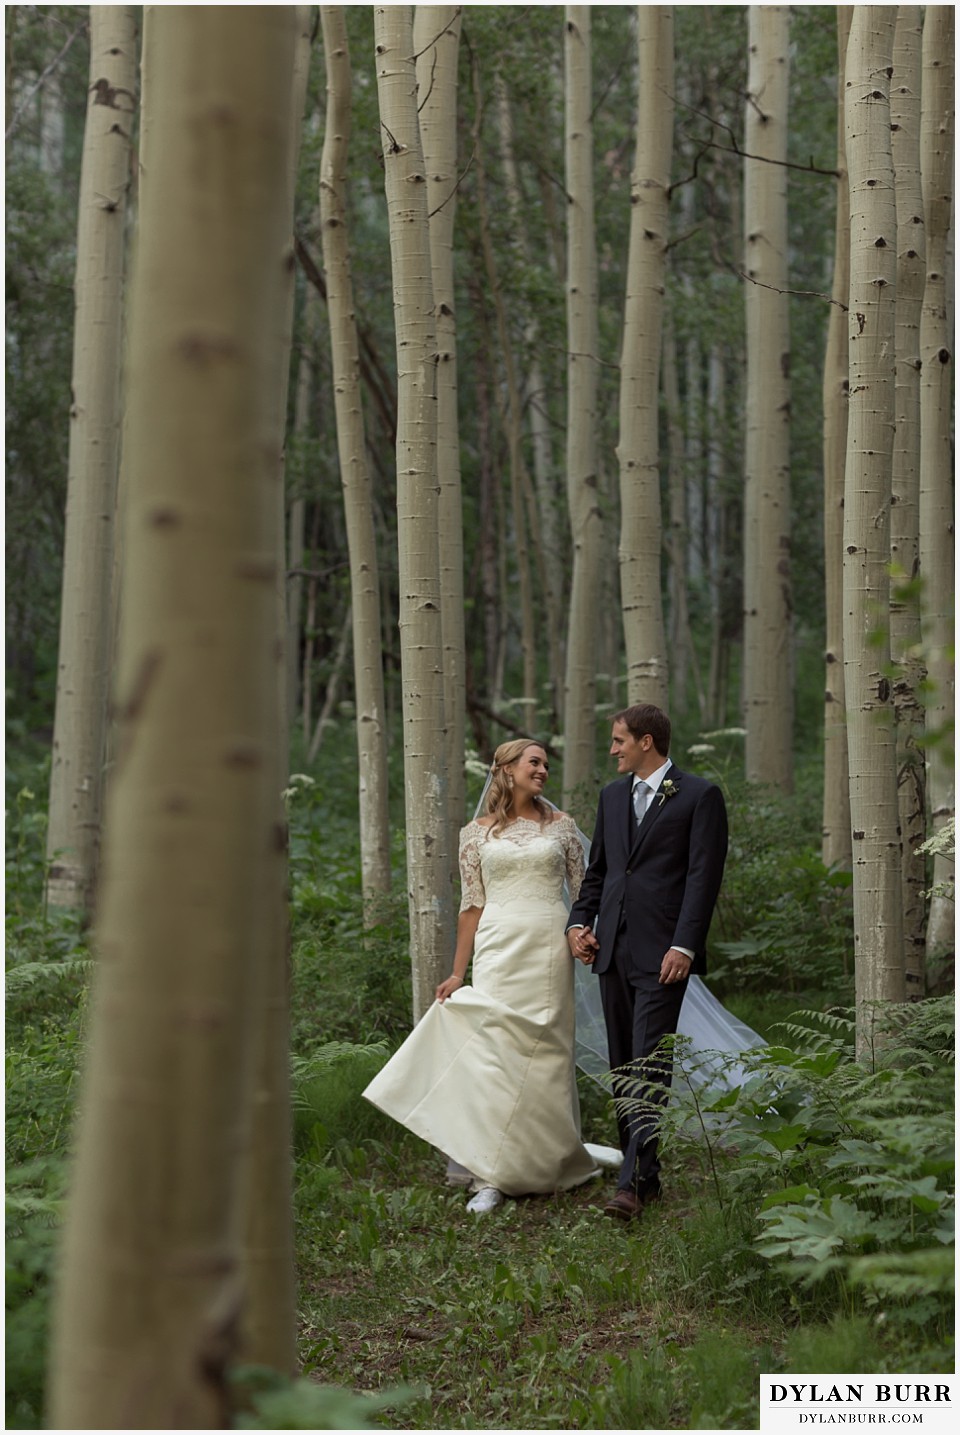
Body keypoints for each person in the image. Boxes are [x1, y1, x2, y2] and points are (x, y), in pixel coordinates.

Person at [363, 739, 618, 1214]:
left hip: (546, 944)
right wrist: (458, 972)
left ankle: (548, 1160)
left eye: (546, 764)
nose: (543, 770)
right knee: (494, 1054)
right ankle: (489, 1174)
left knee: (545, 1051)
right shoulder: (474, 834)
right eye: (534, 762)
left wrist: (582, 935)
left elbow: (585, 896)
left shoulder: (563, 828)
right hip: (497, 947)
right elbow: (471, 907)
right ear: (506, 770)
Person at [567, 703, 728, 1221]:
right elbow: (601, 872)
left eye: (618, 740)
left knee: (650, 1063)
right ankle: (647, 1176)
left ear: (646, 742)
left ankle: (632, 1184)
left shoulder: (700, 796)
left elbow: (703, 878)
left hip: (663, 955)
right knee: (622, 1065)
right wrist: (579, 923)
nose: (612, 749)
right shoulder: (612, 796)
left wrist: (684, 945)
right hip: (611, 948)